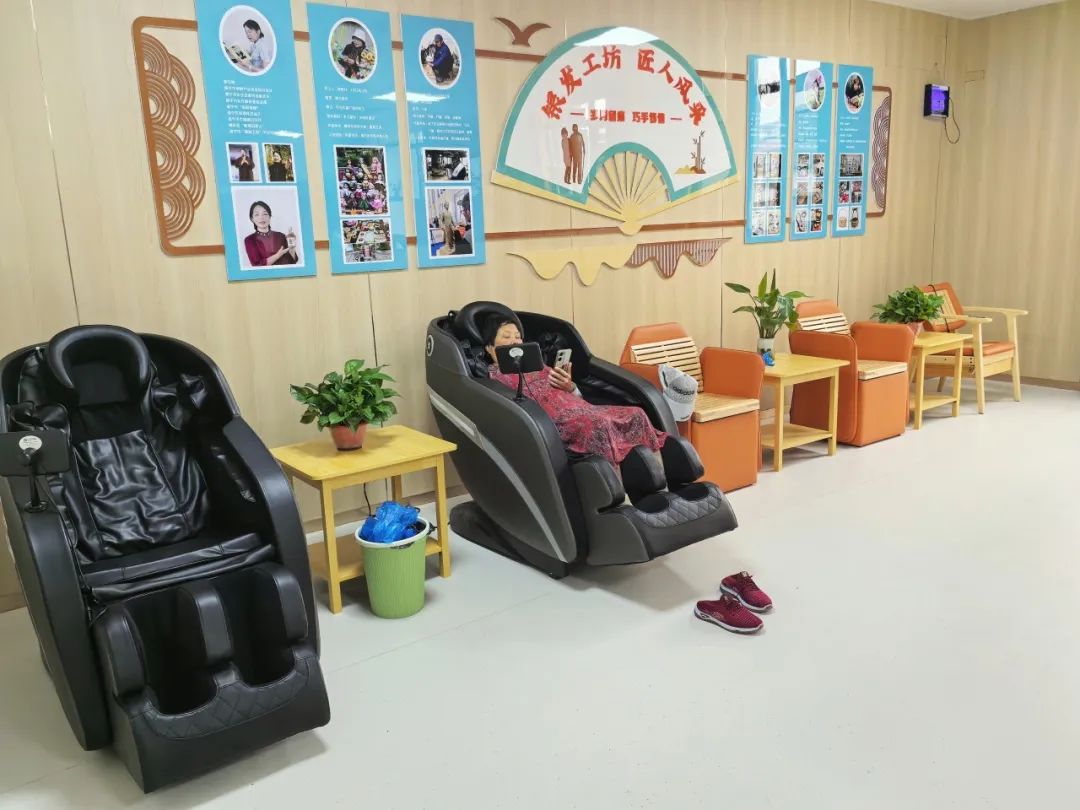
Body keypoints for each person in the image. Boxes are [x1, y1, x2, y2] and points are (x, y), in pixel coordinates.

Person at [482, 317, 665, 469]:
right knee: (600, 424)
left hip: (583, 409)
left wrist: (570, 386)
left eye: (518, 337)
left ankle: (658, 480)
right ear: (490, 347)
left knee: (637, 414)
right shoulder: (496, 378)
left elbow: (576, 398)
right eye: (506, 336)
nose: (515, 341)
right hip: (555, 423)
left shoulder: (540, 366)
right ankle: (617, 491)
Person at [243, 201, 297, 267]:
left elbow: (293, 261)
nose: (261, 217)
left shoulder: (281, 236)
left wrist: (292, 247)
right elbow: (257, 265)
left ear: (270, 216)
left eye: (265, 214)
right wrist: (277, 256)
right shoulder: (250, 240)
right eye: (257, 214)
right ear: (252, 219)